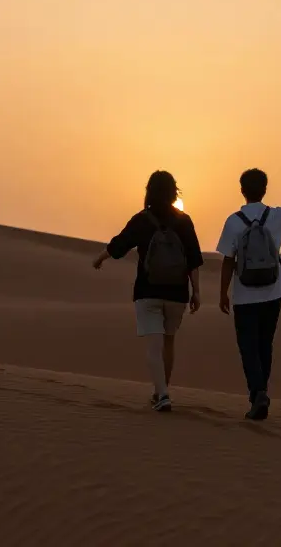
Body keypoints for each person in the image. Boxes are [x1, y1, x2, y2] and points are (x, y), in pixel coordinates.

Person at [93, 171, 204, 412]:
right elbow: (194, 259)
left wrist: (100, 258)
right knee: (169, 341)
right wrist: (196, 291)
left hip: (148, 291)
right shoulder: (184, 221)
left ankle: (161, 393)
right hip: (177, 293)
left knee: (154, 345)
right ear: (174, 192)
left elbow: (120, 244)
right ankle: (162, 391)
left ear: (149, 191)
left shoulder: (142, 219)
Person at [216, 168, 281, 420]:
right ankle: (261, 392)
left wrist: (223, 293)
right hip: (273, 290)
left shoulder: (234, 221)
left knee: (248, 346)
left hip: (245, 295)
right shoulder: (277, 216)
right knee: (265, 343)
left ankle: (257, 393)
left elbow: (227, 260)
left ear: (242, 190)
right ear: (264, 189)